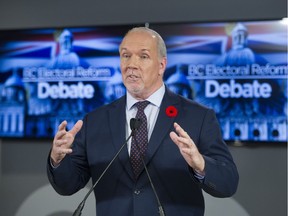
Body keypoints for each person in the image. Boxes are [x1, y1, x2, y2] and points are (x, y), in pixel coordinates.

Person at [47, 27, 239, 216]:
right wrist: (58, 160)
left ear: (162, 65)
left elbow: (228, 183)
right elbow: (68, 185)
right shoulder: (95, 120)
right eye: (125, 55)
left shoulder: (198, 117)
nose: (131, 64)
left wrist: (201, 165)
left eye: (143, 56)